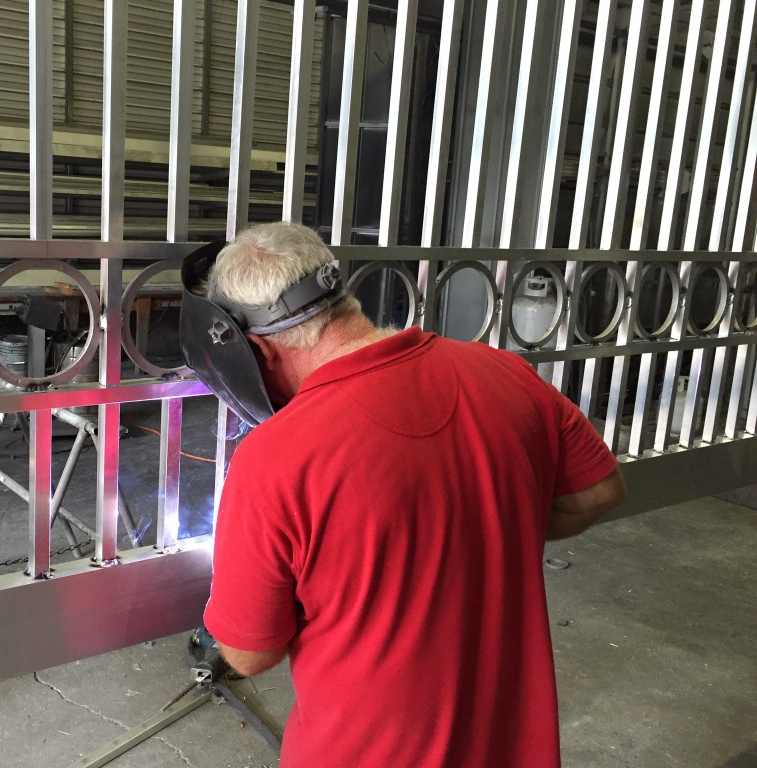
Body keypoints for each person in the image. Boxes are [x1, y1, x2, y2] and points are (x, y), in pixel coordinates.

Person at [179, 222, 626, 768]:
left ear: (257, 353)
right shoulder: (505, 372)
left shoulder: (275, 458)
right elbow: (598, 491)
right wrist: (488, 526)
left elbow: (250, 654)